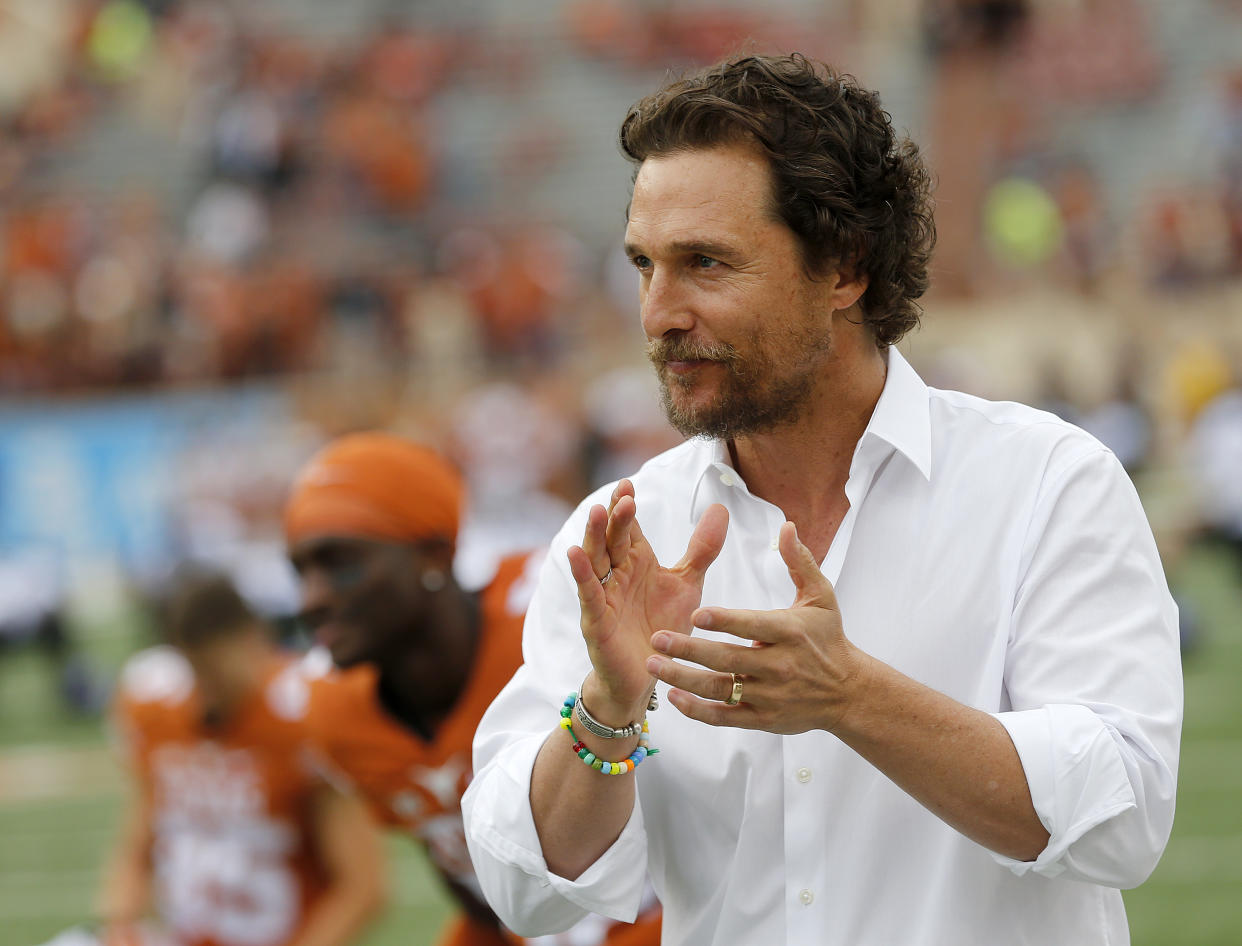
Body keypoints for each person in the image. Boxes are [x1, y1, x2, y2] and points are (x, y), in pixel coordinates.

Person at [462, 53, 1183, 946]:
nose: (658, 312)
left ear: (845, 268)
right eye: (645, 265)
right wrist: (609, 709)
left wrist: (851, 697)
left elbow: (1124, 820)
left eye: (706, 264)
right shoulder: (624, 532)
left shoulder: (1046, 484)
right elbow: (526, 889)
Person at [282, 433, 661, 946]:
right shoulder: (333, 708)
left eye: (340, 563)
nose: (311, 599)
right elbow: (473, 889)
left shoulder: (552, 623)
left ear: (434, 555)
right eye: (300, 570)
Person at [100, 570, 385, 946]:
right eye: (194, 670)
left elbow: (362, 888)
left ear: (254, 640)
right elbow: (140, 842)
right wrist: (121, 924)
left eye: (215, 671)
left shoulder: (305, 715)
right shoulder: (157, 707)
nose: (206, 689)